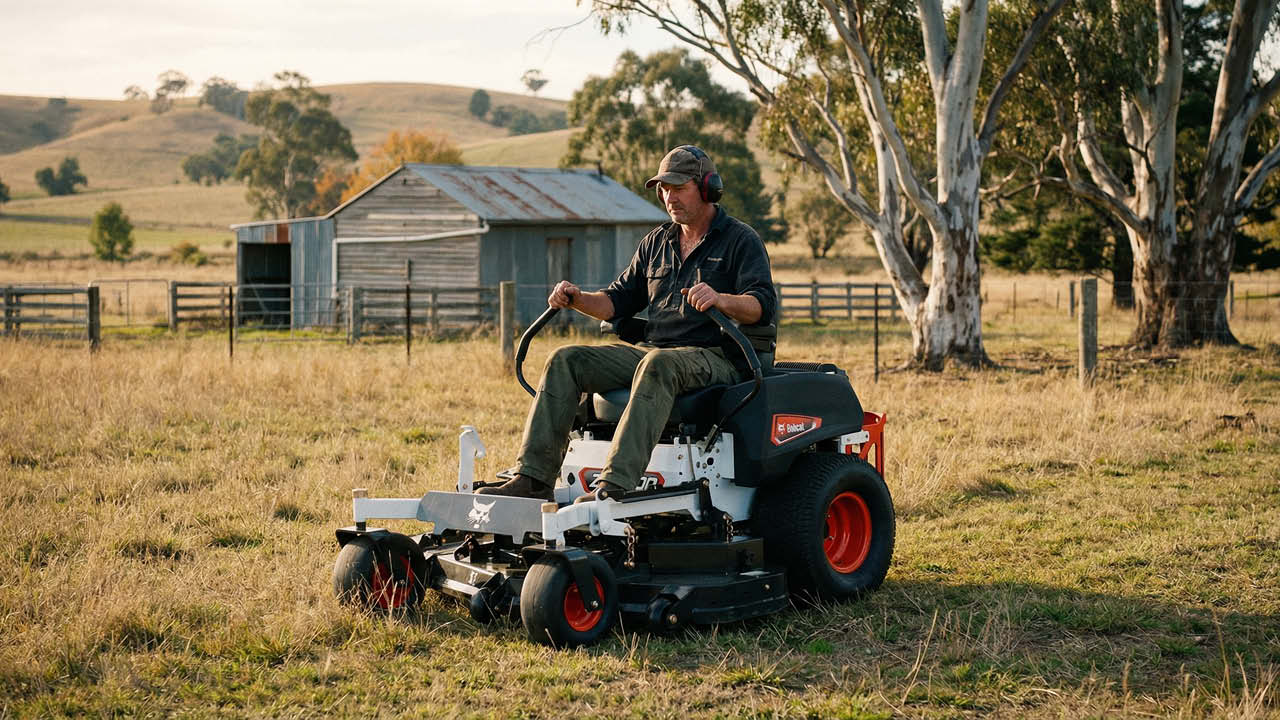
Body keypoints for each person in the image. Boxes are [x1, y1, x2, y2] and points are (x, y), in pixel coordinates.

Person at [478, 145, 776, 501]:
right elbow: (616, 301)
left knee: (657, 363)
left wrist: (721, 299)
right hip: (656, 353)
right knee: (566, 359)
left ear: (708, 187)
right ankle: (533, 479)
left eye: (678, 188)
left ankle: (615, 486)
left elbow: (761, 305)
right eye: (663, 189)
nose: (669, 197)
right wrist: (576, 298)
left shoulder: (740, 240)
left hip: (717, 357)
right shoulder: (657, 242)